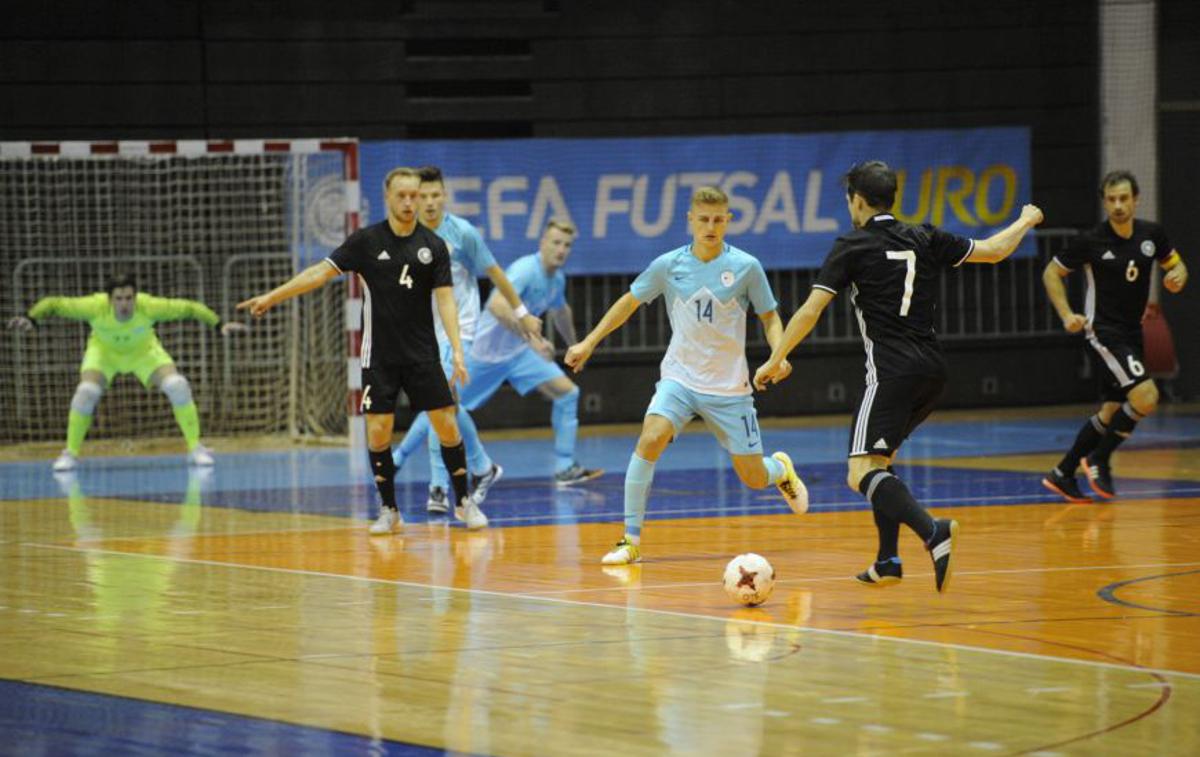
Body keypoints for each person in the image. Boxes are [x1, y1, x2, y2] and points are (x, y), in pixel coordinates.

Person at [755, 160, 1043, 593]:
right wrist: (1026, 218)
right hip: (932, 370)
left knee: (859, 473)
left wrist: (775, 358)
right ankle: (888, 560)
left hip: (891, 371)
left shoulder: (852, 245)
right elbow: (995, 250)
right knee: (881, 463)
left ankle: (933, 531)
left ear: (856, 199)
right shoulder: (925, 236)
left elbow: (812, 309)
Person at [237, 166, 488, 533]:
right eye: (401, 196)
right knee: (378, 432)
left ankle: (464, 503)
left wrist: (459, 352)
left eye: (414, 196)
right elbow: (319, 273)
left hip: (423, 355)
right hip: (379, 356)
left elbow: (447, 301)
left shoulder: (433, 247)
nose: (409, 202)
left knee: (447, 426)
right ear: (387, 197)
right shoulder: (366, 242)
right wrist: (273, 297)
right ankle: (389, 511)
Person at [566, 186, 808, 565]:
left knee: (753, 477)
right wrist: (589, 342)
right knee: (651, 438)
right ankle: (629, 540)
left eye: (718, 219)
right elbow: (628, 302)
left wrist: (779, 356)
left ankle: (779, 469)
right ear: (690, 221)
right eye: (703, 219)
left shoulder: (746, 267)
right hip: (679, 379)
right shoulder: (668, 265)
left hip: (729, 388)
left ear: (728, 220)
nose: (711, 226)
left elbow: (770, 315)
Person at [392, 166, 542, 514]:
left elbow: (495, 273)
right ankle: (483, 468)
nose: (428, 202)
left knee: (437, 402)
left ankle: (438, 488)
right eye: (422, 196)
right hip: (425, 330)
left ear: (444, 196)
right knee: (449, 406)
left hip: (461, 326)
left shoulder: (463, 233)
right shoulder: (406, 234)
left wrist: (521, 314)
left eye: (434, 195)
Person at [1041, 170, 1188, 501]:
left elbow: (1176, 265)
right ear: (1104, 202)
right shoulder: (1092, 240)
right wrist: (1066, 315)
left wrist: (1178, 274)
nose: (1118, 205)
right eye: (1111, 199)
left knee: (1111, 410)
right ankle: (1099, 459)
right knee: (1146, 397)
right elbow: (1051, 271)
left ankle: (1062, 473)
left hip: (1132, 332)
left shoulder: (1153, 234)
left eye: (1124, 198)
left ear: (1136, 199)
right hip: (1104, 332)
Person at [7, 273, 246, 470]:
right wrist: (32, 318)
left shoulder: (149, 306)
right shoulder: (94, 306)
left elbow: (189, 307)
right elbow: (54, 304)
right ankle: (70, 453)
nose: (125, 304)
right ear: (109, 299)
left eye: (129, 298)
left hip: (144, 353)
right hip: (104, 354)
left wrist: (218, 324)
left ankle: (195, 448)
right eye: (119, 299)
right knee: (86, 391)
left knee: (177, 386)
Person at [459, 218, 603, 487]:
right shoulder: (525, 270)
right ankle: (401, 459)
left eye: (567, 245)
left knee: (568, 393)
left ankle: (564, 467)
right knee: (446, 407)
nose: (561, 250)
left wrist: (577, 346)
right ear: (543, 244)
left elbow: (561, 311)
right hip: (485, 354)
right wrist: (533, 339)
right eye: (556, 243)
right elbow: (496, 306)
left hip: (518, 354)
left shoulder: (556, 278)